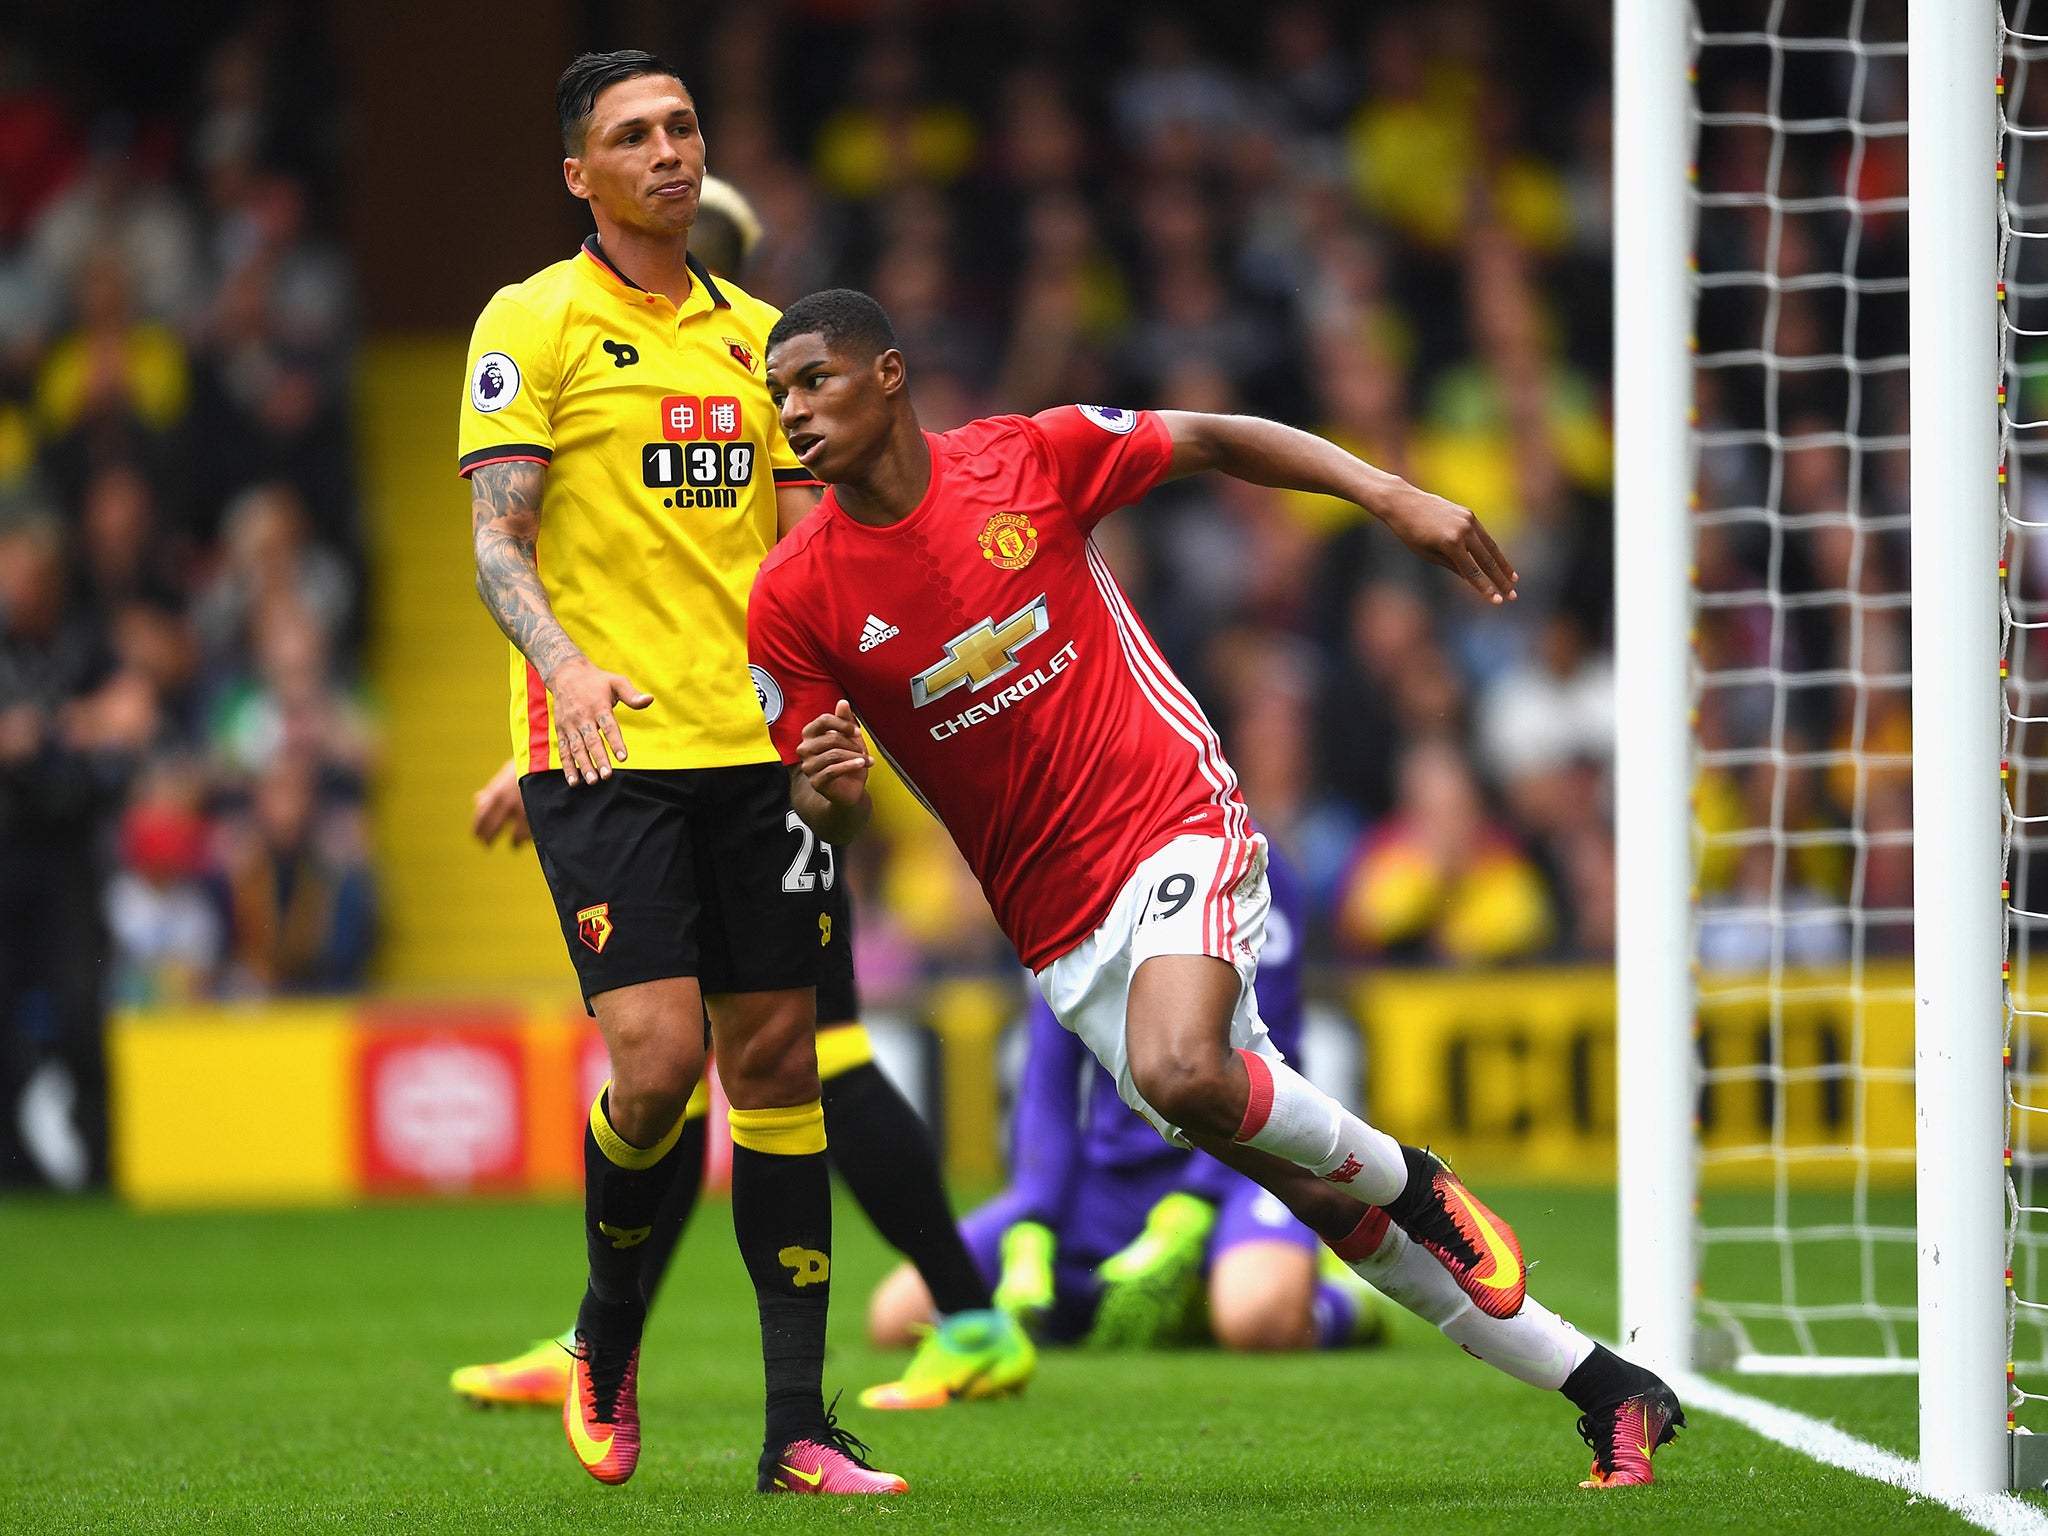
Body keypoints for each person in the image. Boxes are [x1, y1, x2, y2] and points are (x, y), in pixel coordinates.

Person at [746, 289, 1685, 1490]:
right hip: (1054, 921)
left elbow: (1216, 434)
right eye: (778, 395)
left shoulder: (1024, 459)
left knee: (1184, 1068)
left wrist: (1386, 493)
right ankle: (1606, 1388)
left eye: (812, 381)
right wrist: (824, 787)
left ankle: (1423, 1181)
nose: (792, 412)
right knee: (1308, 1191)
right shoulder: (793, 595)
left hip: (1172, 812)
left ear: (887, 375)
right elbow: (826, 806)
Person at [458, 54, 903, 1496]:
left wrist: (838, 714)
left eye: (681, 128)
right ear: (578, 173)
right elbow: (496, 541)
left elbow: (803, 558)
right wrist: (566, 673)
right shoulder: (533, 322)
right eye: (631, 136)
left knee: (778, 1068)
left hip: (758, 755)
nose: (666, 150)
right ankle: (603, 1335)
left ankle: (794, 1430)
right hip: (606, 748)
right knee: (655, 1067)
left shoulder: (768, 341)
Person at [454, 741, 1033, 1412]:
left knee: (810, 1050)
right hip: (693, 757)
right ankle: (602, 1340)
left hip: (761, 756)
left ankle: (971, 1322)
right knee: (681, 1058)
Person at [867, 837, 1386, 1363]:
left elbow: (1278, 1053)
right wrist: (1033, 1223)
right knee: (898, 1315)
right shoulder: (1073, 871)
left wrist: (1188, 1214)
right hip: (1110, 1183)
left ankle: (1341, 1299)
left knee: (1259, 1319)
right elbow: (1049, 1076)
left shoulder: (1244, 856)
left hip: (1243, 1174)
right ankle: (1178, 1304)